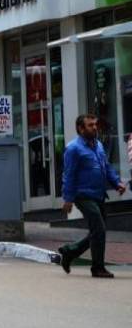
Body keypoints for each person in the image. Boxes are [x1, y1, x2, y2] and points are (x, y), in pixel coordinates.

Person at [56, 113, 125, 278]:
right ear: (80, 129)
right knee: (99, 229)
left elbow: (106, 167)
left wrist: (116, 183)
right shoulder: (73, 148)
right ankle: (98, 268)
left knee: (97, 231)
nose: (95, 127)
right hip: (83, 195)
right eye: (90, 125)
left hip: (99, 194)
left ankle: (69, 252)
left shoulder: (98, 145)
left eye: (95, 124)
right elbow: (69, 174)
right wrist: (68, 199)